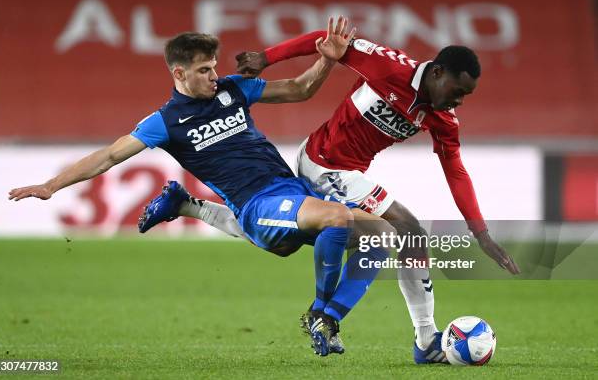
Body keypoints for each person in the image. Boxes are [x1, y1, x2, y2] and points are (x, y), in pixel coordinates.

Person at [7, 17, 397, 358]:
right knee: (336, 218)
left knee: (382, 235)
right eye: (204, 70)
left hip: (291, 191)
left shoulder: (233, 90)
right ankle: (318, 311)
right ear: (179, 74)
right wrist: (51, 185)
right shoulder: (167, 120)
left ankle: (328, 318)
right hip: (258, 206)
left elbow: (299, 89)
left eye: (214, 67)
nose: (214, 76)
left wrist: (327, 59)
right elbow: (109, 156)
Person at [163, 29, 521, 363]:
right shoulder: (388, 66)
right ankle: (411, 337)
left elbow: (455, 170)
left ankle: (193, 207)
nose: (458, 101)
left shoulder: (443, 118)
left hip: (349, 172)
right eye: (457, 91)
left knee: (295, 240)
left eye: (465, 96)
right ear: (438, 72)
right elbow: (327, 39)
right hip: (324, 162)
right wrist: (266, 58)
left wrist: (481, 233)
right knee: (408, 231)